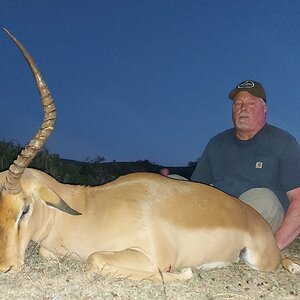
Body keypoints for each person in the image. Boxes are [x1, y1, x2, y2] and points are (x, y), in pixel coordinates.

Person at [190, 80, 300, 250]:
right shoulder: (217, 143)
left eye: (250, 103)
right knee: (174, 184)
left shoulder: (283, 142)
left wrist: (276, 244)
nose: (243, 108)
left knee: (263, 199)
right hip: (221, 213)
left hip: (262, 216)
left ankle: (217, 243)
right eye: (238, 104)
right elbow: (198, 189)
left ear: (264, 109)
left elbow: (298, 198)